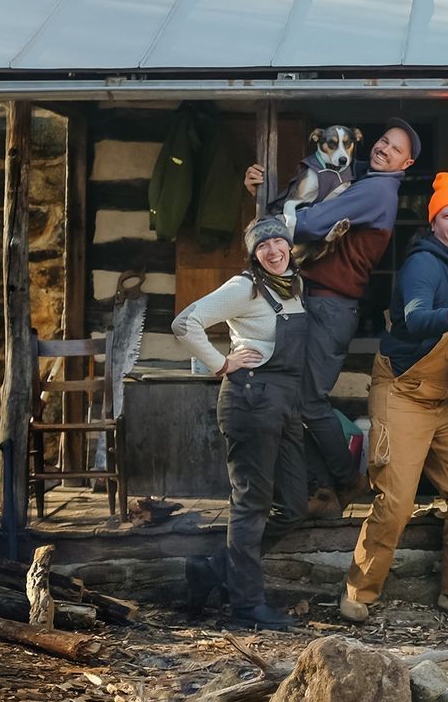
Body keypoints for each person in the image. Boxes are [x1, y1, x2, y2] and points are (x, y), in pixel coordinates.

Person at [244, 119, 419, 514]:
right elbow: (299, 208)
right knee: (293, 398)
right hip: (319, 302)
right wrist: (262, 196)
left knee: (308, 401)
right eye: (383, 141)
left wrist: (268, 220)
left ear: (405, 164)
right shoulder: (355, 181)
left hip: (331, 305)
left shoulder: (375, 189)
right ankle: (316, 486)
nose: (384, 149)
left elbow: (308, 223)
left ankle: (347, 479)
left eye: (395, 149)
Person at [340, 172, 448, 626]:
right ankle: (358, 592)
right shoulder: (423, 263)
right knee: (396, 500)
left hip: (438, 401)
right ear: (435, 223)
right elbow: (413, 318)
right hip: (401, 394)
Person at [171, 216, 306, 630]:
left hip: (284, 402)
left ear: (289, 245)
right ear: (253, 254)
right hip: (251, 399)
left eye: (278, 242)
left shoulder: (293, 287)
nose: (273, 251)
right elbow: (184, 322)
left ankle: (213, 569)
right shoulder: (245, 287)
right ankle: (247, 606)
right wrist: (221, 363)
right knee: (251, 506)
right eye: (263, 247)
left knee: (294, 506)